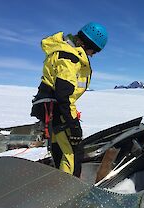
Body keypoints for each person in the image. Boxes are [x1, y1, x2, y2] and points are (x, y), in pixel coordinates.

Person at [31, 22, 108, 177]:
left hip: (50, 107)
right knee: (72, 153)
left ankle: (58, 187)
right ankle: (70, 194)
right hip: (56, 108)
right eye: (93, 51)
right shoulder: (69, 57)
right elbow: (63, 96)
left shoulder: (64, 51)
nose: (92, 55)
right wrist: (73, 126)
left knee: (59, 150)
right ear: (86, 44)